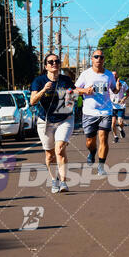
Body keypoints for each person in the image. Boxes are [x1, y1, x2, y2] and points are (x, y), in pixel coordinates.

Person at [30, 53, 76, 194]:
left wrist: (68, 103)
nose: (54, 63)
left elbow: (72, 97)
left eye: (56, 61)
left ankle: (63, 182)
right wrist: (44, 89)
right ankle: (54, 180)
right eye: (51, 62)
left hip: (64, 119)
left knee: (60, 149)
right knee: (50, 155)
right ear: (46, 66)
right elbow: (33, 101)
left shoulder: (66, 80)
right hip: (45, 121)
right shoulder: (39, 81)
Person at [75, 49, 120, 176]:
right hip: (89, 112)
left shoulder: (109, 75)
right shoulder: (85, 74)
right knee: (90, 141)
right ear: (92, 59)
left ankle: (101, 166)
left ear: (103, 59)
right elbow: (75, 89)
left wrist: (117, 88)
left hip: (105, 111)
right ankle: (92, 152)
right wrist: (85, 91)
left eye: (101, 57)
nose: (99, 59)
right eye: (96, 57)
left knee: (103, 138)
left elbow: (114, 91)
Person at [110, 71, 129, 143]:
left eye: (115, 75)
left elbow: (128, 92)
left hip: (121, 105)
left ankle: (121, 129)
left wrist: (124, 98)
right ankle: (115, 136)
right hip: (112, 106)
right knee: (113, 123)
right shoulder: (109, 84)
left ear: (117, 75)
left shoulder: (123, 83)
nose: (114, 76)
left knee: (120, 122)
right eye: (112, 75)